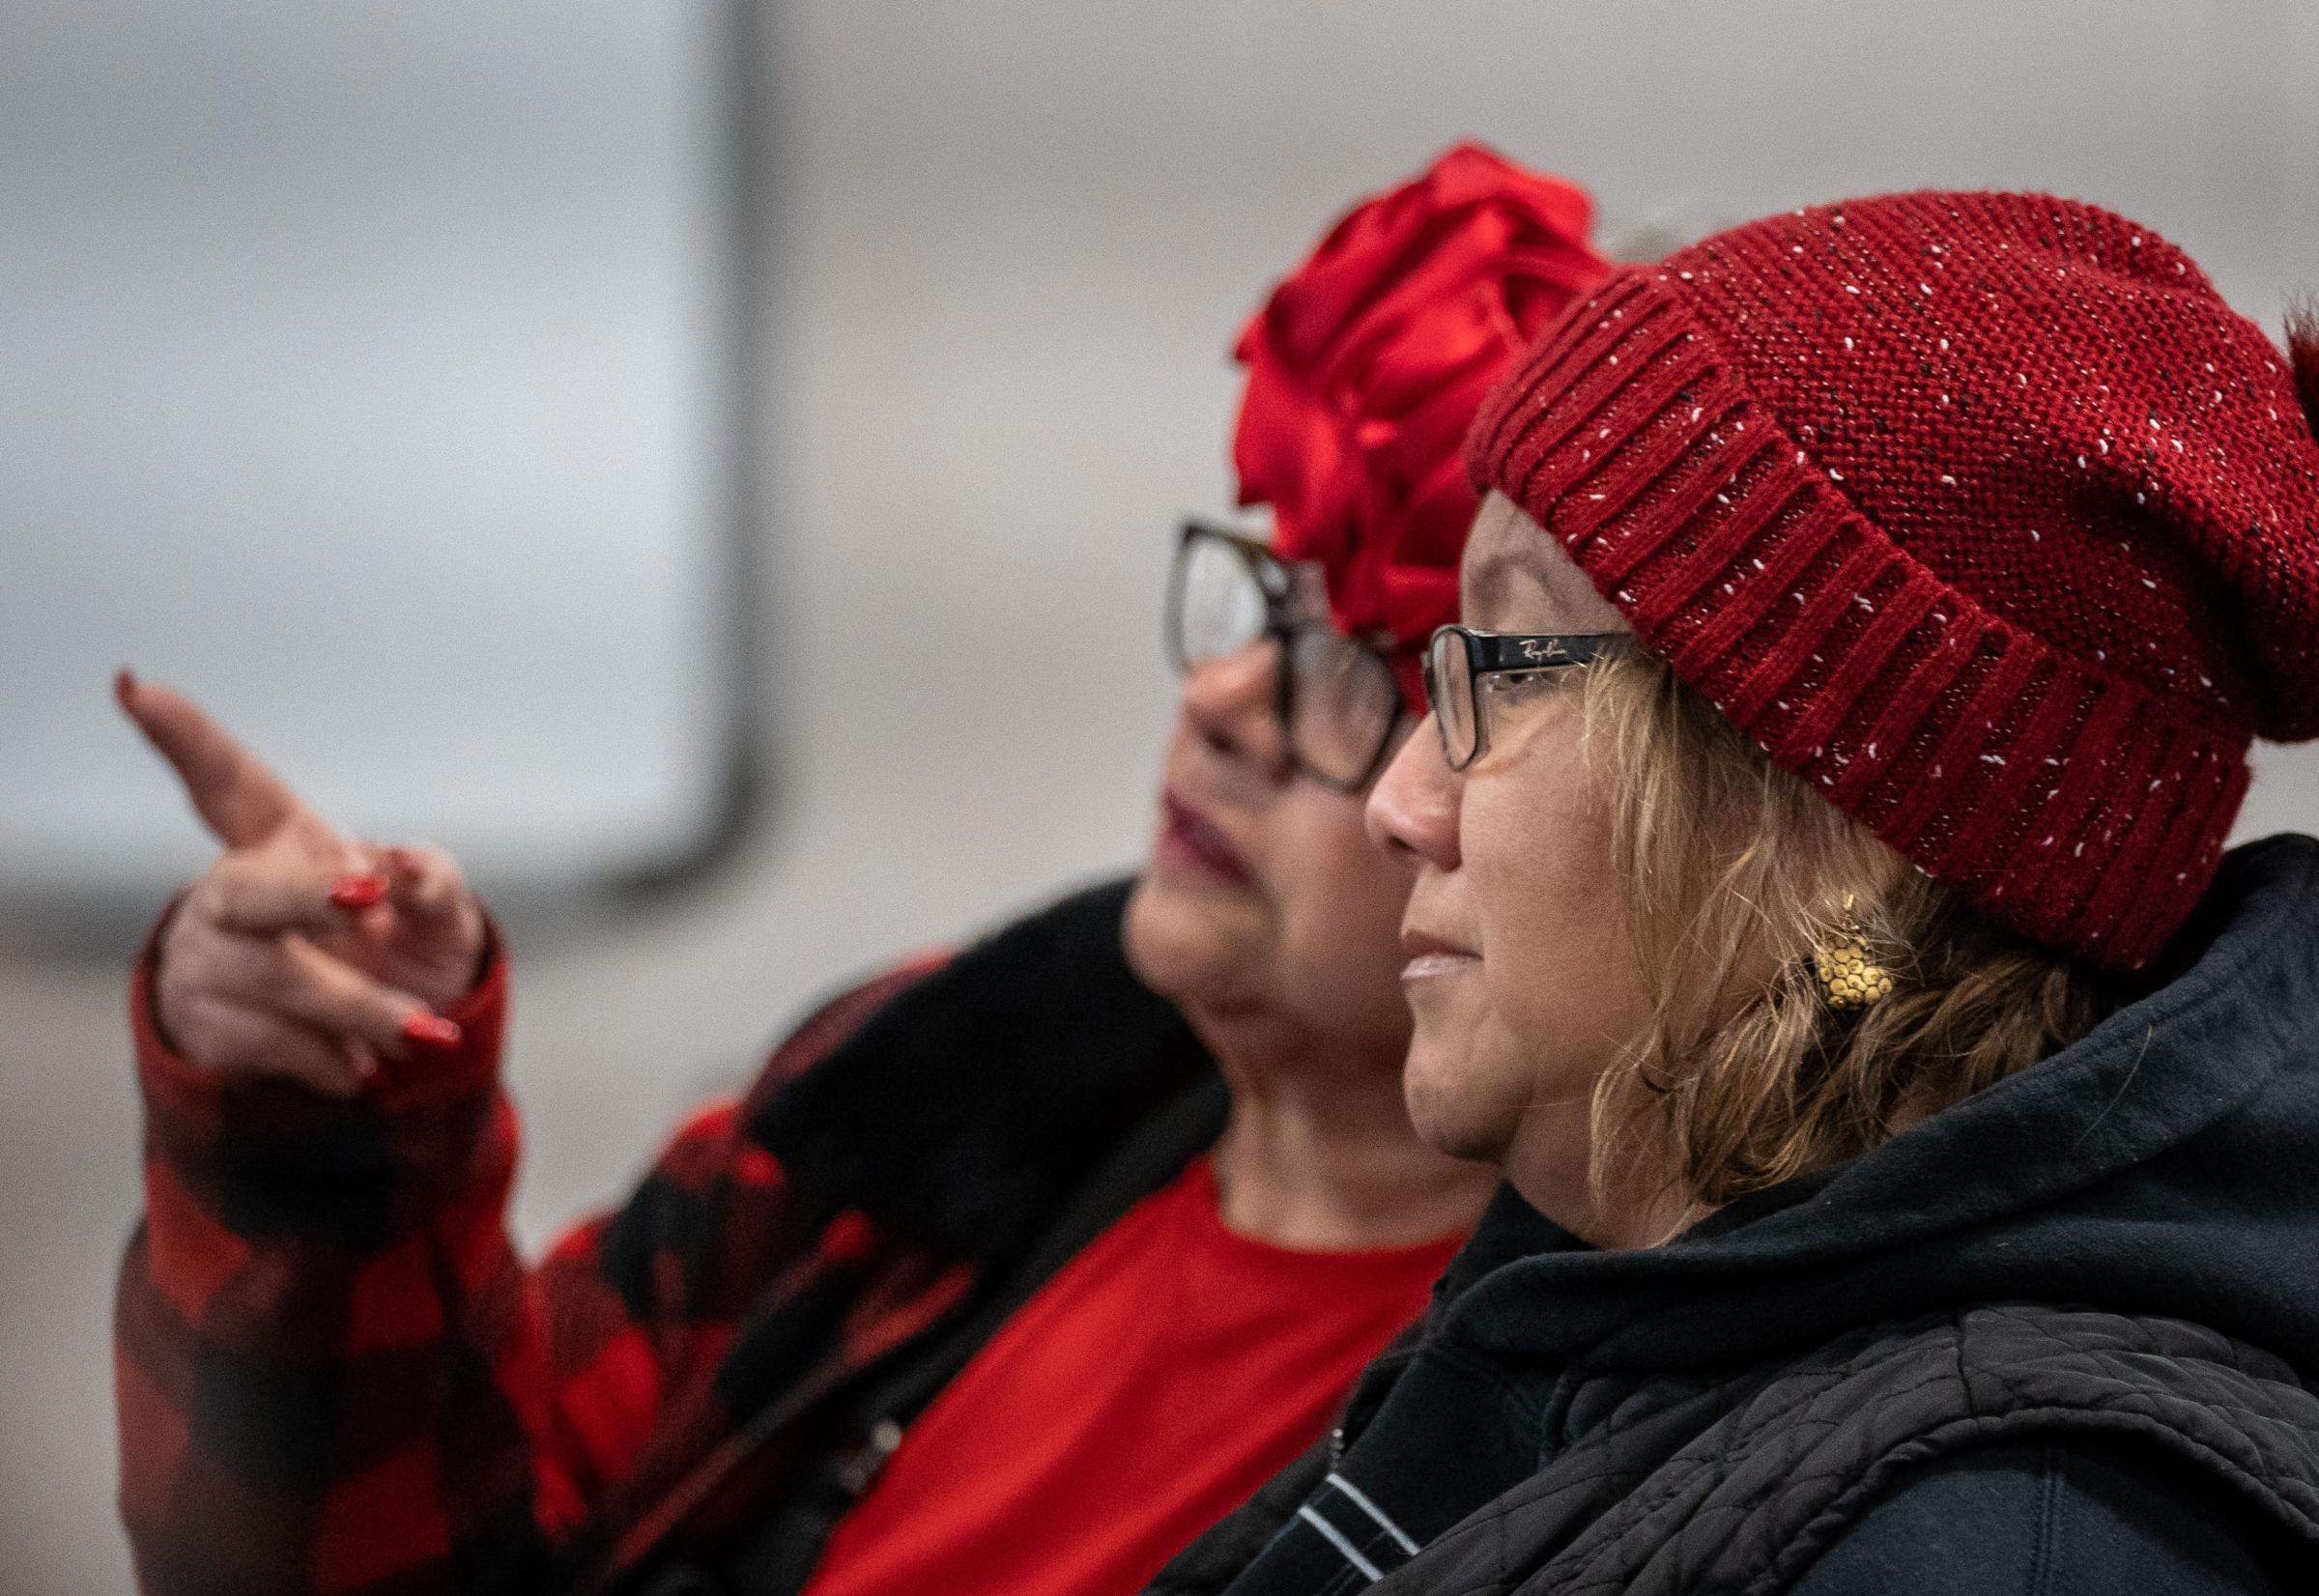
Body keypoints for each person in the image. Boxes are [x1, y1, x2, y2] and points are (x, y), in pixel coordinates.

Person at [109, 145, 1609, 1596]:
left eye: (1354, 666)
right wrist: (334, 1131)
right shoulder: (923, 1100)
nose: (1222, 702)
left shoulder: (1580, 1408)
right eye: (1254, 598)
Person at [1154, 191, 2319, 1595]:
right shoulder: (1619, 1290)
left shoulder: (2005, 1546)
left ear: (1849, 842)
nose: (1404, 804)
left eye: (1511, 670)